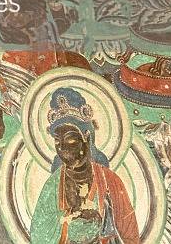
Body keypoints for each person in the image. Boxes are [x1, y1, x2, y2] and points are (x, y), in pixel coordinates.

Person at [30, 88, 139, 244]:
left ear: (86, 137)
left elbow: (130, 235)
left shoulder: (110, 181)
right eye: (57, 141)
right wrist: (67, 221)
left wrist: (99, 225)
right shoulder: (53, 185)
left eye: (70, 140)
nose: (63, 149)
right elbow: (38, 234)